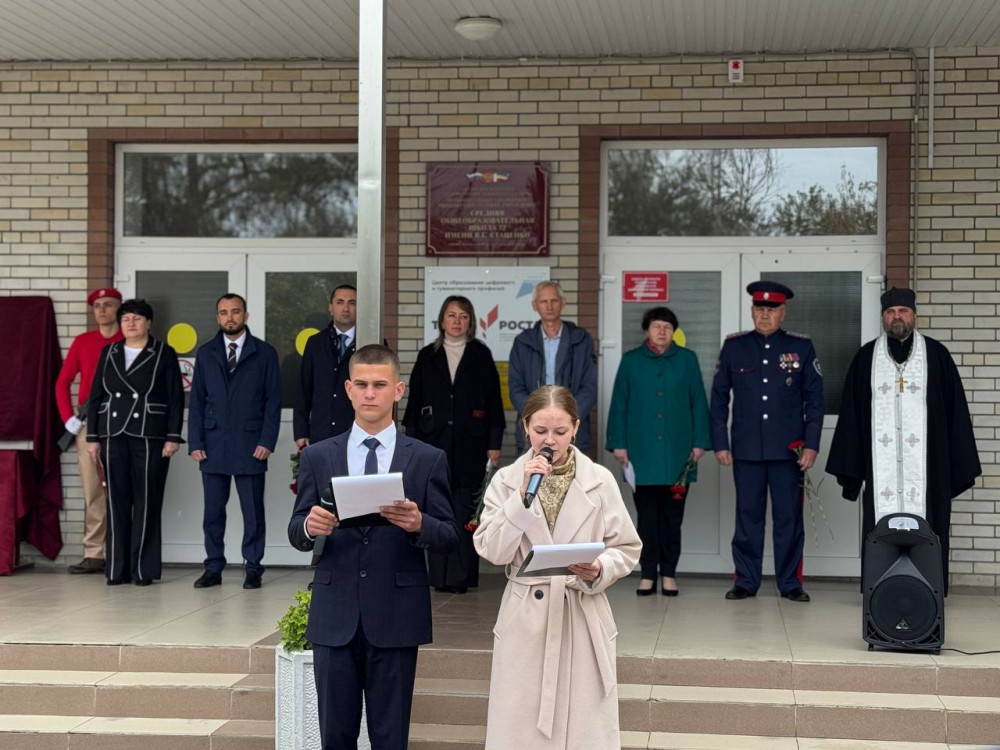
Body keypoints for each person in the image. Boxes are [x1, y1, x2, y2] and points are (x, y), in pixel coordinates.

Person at [287, 344, 458, 750]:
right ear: (348, 389)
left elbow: (450, 535)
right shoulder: (318, 456)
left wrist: (419, 524)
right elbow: (296, 529)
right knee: (335, 736)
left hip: (397, 615)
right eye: (361, 384)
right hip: (335, 614)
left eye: (379, 385)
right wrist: (310, 526)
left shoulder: (428, 458)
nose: (369, 394)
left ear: (397, 391)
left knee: (390, 737)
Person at [474, 385, 641, 750]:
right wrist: (520, 499)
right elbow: (492, 550)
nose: (549, 440)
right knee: (521, 728)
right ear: (525, 427)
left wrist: (599, 568)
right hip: (525, 618)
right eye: (540, 430)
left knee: (583, 728)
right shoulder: (506, 480)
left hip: (580, 613)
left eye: (560, 431)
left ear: (576, 428)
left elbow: (627, 548)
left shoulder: (600, 480)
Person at [826, 287, 980, 593]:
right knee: (878, 525)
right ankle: (878, 591)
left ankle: (929, 591)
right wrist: (852, 469)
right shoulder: (866, 358)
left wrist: (955, 465)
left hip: (928, 470)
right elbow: (852, 415)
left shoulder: (937, 356)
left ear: (914, 315)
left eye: (903, 311)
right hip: (881, 470)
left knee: (931, 524)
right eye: (890, 312)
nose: (897, 317)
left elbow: (956, 414)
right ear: (883, 317)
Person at [710, 281, 823, 603]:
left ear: (782, 313)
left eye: (771, 310)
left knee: (789, 520)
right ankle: (746, 581)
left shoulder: (801, 347)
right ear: (751, 311)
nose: (764, 315)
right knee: (748, 519)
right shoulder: (734, 346)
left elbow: (815, 399)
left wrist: (812, 444)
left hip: (789, 452)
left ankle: (790, 583)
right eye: (759, 309)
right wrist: (720, 442)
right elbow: (718, 398)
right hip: (746, 450)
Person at [402, 295, 505, 594]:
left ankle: (461, 577)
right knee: (434, 506)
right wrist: (410, 443)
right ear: (442, 320)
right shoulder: (427, 355)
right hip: (432, 442)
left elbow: (494, 403)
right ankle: (438, 576)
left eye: (463, 316)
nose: (457, 321)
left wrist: (494, 443)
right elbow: (414, 401)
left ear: (470, 322)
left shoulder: (481, 355)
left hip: (471, 444)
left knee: (465, 509)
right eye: (451, 315)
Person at [606, 306, 710, 597]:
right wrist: (618, 443)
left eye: (667, 327)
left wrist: (700, 442)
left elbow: (698, 401)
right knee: (646, 517)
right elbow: (620, 403)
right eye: (656, 327)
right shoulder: (631, 361)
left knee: (673, 518)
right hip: (641, 453)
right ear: (646, 331)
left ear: (674, 331)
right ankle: (648, 573)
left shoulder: (687, 360)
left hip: (679, 453)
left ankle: (669, 573)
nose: (662, 332)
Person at [86, 298, 183, 586]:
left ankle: (142, 570)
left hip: (149, 433)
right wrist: (93, 437)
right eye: (126, 318)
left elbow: (175, 397)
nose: (131, 323)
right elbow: (96, 396)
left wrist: (172, 436)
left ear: (148, 323)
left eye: (137, 318)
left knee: (147, 501)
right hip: (113, 433)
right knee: (116, 501)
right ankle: (116, 569)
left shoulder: (163, 352)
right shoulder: (110, 352)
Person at [188, 293, 281, 590]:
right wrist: (195, 441)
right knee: (213, 513)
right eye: (224, 312)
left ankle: (253, 567)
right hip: (213, 443)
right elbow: (197, 401)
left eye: (236, 311)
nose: (230, 317)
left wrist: (267, 440)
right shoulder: (206, 353)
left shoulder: (264, 353)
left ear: (246, 315)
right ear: (217, 317)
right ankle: (213, 567)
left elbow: (273, 402)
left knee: (253, 512)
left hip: (251, 444)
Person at [55, 287, 124, 574]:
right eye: (97, 306)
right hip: (90, 421)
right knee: (93, 488)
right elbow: (62, 382)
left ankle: (122, 551)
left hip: (123, 420)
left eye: (108, 304)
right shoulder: (83, 342)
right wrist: (68, 418)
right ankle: (94, 553)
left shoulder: (129, 340)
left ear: (118, 308)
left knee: (123, 487)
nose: (102, 310)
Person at [508, 281, 597, 453]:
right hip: (534, 430)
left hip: (572, 430)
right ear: (535, 305)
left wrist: (568, 417)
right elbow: (516, 388)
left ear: (563, 303)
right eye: (543, 301)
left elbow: (590, 387)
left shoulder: (581, 339)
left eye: (554, 301)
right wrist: (537, 416)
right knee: (534, 471)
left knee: (573, 471)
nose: (549, 306)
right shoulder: (523, 342)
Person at [294, 284, 358, 447]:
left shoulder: (371, 342)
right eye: (340, 302)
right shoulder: (315, 343)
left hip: (360, 432)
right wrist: (301, 431)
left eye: (352, 303)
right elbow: (304, 389)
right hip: (322, 432)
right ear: (330, 308)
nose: (346, 308)